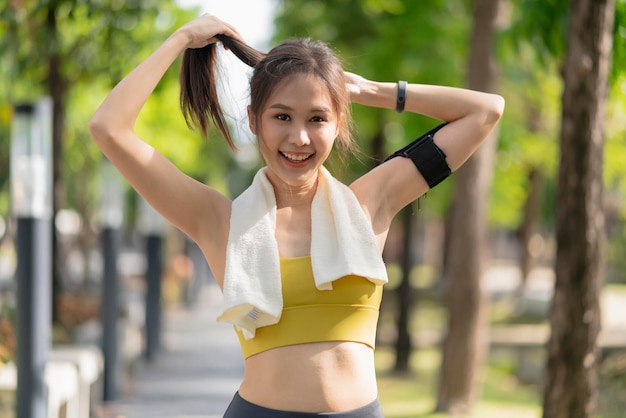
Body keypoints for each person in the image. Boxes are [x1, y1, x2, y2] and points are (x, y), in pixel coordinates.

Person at [89, 13, 504, 418]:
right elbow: (109, 128)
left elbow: (485, 111)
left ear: (338, 123)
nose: (299, 137)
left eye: (317, 118)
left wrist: (370, 90)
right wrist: (179, 40)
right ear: (254, 120)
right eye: (282, 116)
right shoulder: (219, 221)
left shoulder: (368, 204)